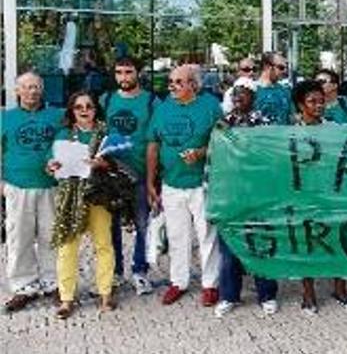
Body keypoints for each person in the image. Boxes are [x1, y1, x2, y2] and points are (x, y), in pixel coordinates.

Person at [147, 65, 223, 306]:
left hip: (202, 183)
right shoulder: (162, 108)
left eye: (179, 82)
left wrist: (201, 152)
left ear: (193, 84)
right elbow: (153, 144)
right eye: (171, 82)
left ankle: (211, 284)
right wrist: (151, 181)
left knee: (207, 234)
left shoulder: (210, 106)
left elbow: (223, 139)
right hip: (171, 183)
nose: (172, 86)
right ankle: (178, 281)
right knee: (177, 235)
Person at [292, 80, 347, 314]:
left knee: (339, 241)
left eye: (321, 101)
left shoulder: (333, 128)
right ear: (301, 105)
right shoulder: (290, 132)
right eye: (312, 101)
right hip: (304, 194)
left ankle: (340, 289)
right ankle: (308, 293)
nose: (319, 105)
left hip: (332, 193)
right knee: (307, 242)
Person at [48, 92, 118, 318]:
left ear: (95, 109)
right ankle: (66, 298)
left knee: (103, 245)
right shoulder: (63, 134)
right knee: (68, 247)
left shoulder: (106, 132)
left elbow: (116, 163)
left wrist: (103, 163)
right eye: (78, 107)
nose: (84, 110)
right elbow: (51, 164)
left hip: (98, 195)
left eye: (89, 106)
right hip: (71, 197)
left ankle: (105, 293)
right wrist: (51, 165)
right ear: (72, 111)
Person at [213, 78, 279, 318]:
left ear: (253, 97)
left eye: (243, 93)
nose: (238, 98)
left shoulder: (265, 123)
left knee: (260, 244)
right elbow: (214, 158)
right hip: (230, 194)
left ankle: (267, 294)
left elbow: (271, 158)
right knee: (229, 247)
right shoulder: (223, 125)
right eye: (235, 94)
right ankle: (229, 295)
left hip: (258, 193)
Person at [2, 72, 64, 312]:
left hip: (50, 186)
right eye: (27, 87)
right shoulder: (5, 118)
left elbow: (64, 143)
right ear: (17, 91)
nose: (32, 92)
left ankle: (54, 283)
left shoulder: (56, 116)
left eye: (36, 87)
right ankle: (23, 286)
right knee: (20, 239)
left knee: (53, 236)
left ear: (42, 90)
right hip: (17, 186)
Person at [101, 56, 155, 295]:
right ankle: (115, 272)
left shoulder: (152, 101)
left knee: (143, 224)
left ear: (138, 73)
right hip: (112, 174)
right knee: (111, 226)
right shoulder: (106, 99)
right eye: (119, 72)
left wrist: (156, 176)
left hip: (141, 173)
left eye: (128, 72)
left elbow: (156, 139)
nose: (124, 77)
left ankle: (139, 271)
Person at [254, 52, 292, 125]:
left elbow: (291, 117)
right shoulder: (253, 90)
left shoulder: (286, 91)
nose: (285, 71)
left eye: (286, 68)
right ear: (267, 66)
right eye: (281, 68)